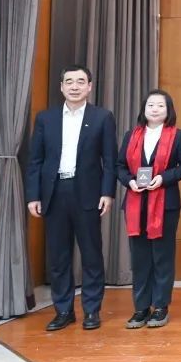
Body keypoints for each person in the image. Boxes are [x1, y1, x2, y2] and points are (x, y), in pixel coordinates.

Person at [26, 65, 117, 331]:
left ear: (89, 86)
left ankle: (91, 310)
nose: (74, 86)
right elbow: (35, 160)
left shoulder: (102, 117)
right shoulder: (46, 118)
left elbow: (110, 160)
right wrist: (33, 195)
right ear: (61, 87)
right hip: (54, 193)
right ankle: (63, 310)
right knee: (58, 257)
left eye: (80, 81)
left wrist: (107, 193)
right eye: (69, 81)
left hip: (87, 193)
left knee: (91, 255)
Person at [116, 89, 181, 329]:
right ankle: (140, 308)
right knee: (140, 257)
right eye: (151, 105)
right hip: (135, 203)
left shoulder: (179, 136)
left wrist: (163, 178)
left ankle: (160, 306)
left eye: (160, 105)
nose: (155, 109)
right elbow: (120, 166)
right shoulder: (131, 135)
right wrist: (129, 181)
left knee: (162, 256)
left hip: (165, 203)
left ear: (168, 110)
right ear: (144, 109)